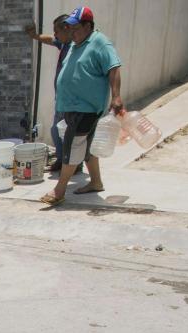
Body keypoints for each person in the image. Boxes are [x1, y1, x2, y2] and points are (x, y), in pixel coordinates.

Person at [43, 6, 124, 206]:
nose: (72, 32)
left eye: (75, 28)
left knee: (72, 146)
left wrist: (116, 96)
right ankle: (96, 182)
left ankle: (59, 190)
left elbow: (113, 67)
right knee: (88, 147)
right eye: (70, 28)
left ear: (88, 26)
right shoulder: (74, 44)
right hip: (71, 106)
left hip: (86, 107)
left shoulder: (100, 43)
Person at [26, 15, 75, 171]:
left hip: (71, 99)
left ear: (66, 29)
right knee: (57, 130)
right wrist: (35, 36)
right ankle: (63, 161)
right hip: (61, 98)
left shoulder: (76, 47)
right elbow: (51, 40)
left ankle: (71, 164)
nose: (55, 35)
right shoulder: (64, 43)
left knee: (66, 133)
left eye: (56, 31)